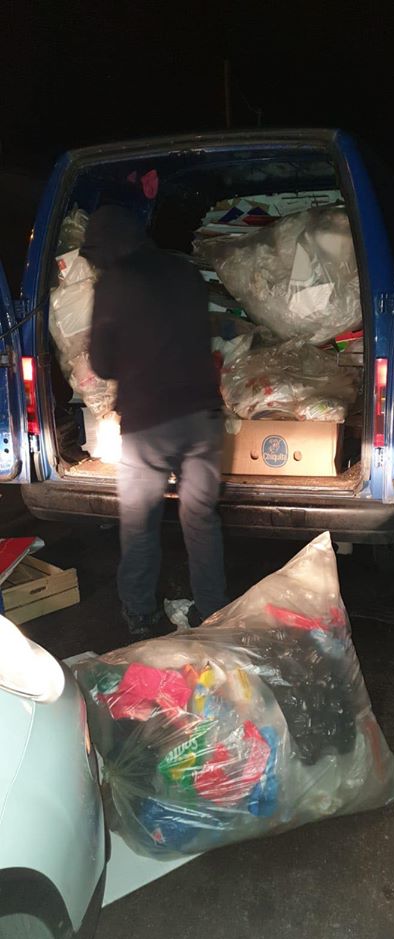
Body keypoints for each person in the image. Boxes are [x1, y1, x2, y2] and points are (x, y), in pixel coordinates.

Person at [81, 205, 227, 640]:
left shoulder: (115, 281)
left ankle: (140, 613)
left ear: (109, 246)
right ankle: (212, 611)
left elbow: (102, 364)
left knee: (139, 522)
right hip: (203, 418)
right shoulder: (186, 273)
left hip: (150, 424)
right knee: (200, 519)